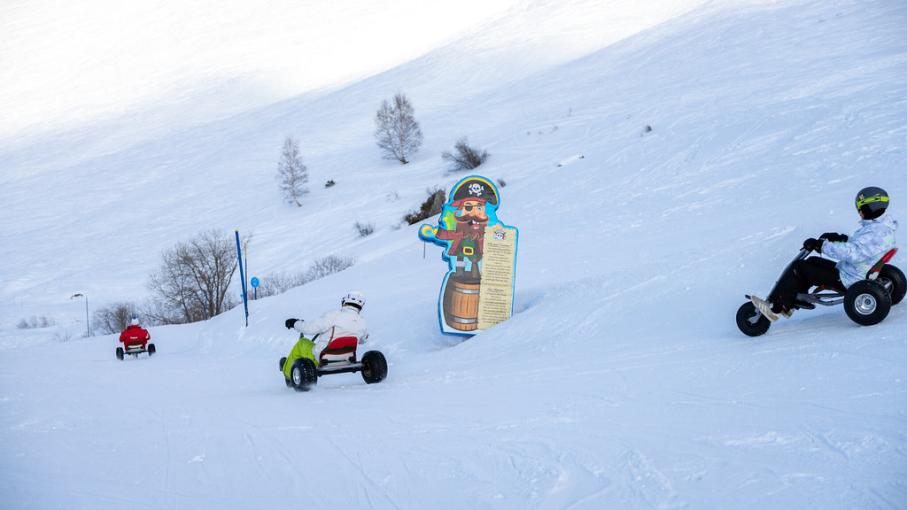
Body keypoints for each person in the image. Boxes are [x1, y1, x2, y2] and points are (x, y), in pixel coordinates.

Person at [752, 186, 898, 321]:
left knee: (799, 267)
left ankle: (776, 307)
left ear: (869, 208)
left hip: (849, 279)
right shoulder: (881, 228)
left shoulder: (875, 232)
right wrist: (840, 238)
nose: (859, 212)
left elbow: (853, 253)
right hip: (854, 271)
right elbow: (863, 247)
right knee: (813, 262)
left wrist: (822, 245)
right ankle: (796, 297)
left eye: (860, 208)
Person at [282, 291, 369, 375]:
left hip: (323, 358)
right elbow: (363, 340)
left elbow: (310, 329)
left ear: (344, 302)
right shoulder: (362, 321)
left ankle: (288, 372)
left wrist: (295, 323)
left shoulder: (334, 315)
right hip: (347, 358)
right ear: (360, 306)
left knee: (302, 343)